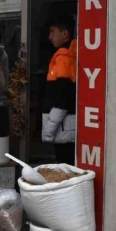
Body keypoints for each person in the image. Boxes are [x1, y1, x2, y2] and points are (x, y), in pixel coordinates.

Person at [42, 16, 77, 166]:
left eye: (53, 32)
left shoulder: (63, 58)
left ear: (65, 34)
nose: (49, 37)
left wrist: (48, 131)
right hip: (65, 127)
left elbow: (62, 98)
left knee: (64, 166)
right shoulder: (68, 55)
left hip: (62, 128)